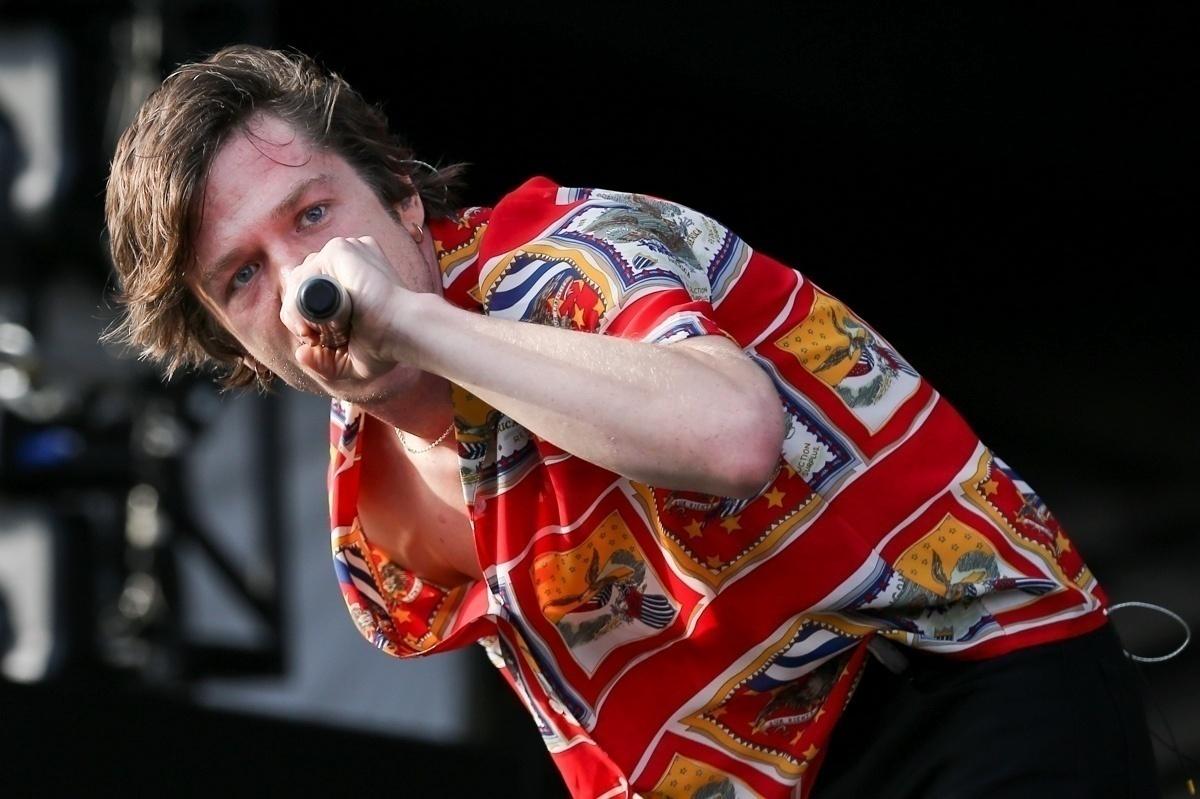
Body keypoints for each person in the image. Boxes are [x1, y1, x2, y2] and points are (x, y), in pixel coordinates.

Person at [104, 46, 1158, 798]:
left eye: (314, 213)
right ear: (228, 343)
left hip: (955, 682)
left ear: (403, 200)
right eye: (244, 274)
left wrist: (411, 322)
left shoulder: (569, 256)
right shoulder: (363, 477)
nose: (301, 279)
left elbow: (730, 437)